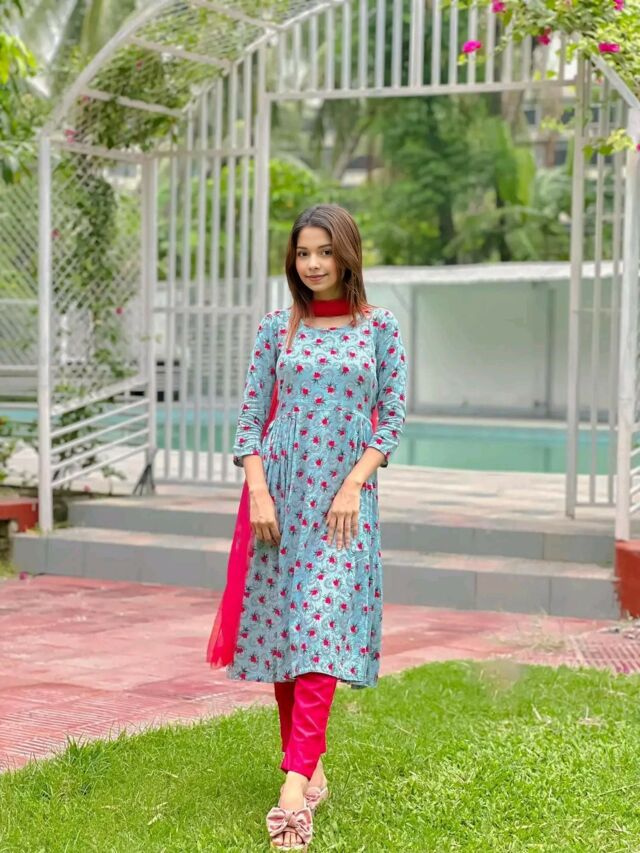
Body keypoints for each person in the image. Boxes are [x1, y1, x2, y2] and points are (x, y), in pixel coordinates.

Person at [207, 204, 407, 850]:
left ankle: (293, 787)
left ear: (348, 254)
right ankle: (308, 762)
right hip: (282, 494)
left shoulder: (379, 327)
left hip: (345, 503)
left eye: (325, 251)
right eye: (303, 253)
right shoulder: (278, 328)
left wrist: (354, 484)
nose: (314, 264)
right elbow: (248, 424)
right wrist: (259, 493)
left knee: (320, 630)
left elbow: (392, 420)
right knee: (286, 632)